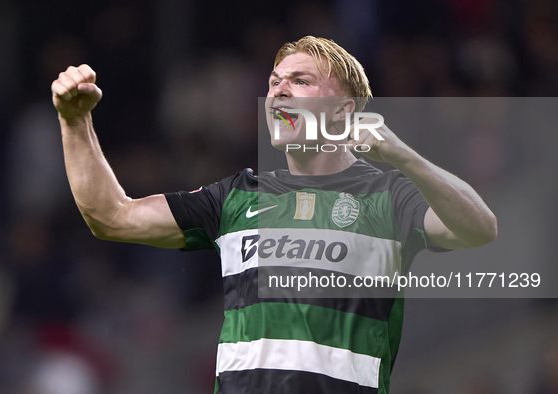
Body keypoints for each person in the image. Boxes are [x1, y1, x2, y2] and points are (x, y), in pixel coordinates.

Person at [52, 36, 497, 394]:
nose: (278, 91)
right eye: (274, 81)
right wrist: (75, 123)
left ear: (344, 111)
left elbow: (479, 229)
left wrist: (402, 156)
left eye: (300, 81)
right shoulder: (234, 197)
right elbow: (111, 216)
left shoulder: (390, 196)